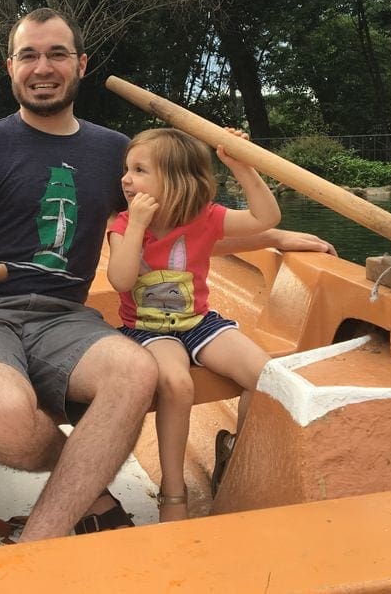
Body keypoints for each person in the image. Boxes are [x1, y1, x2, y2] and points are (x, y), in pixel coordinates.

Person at [0, 7, 334, 540]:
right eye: (29, 55)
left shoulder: (116, 152)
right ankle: (90, 488)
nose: (42, 67)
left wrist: (272, 236)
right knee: (6, 421)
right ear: (11, 67)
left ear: (81, 64)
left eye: (57, 54)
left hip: (65, 315)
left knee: (137, 373)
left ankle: (39, 538)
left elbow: (180, 227)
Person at [106, 127, 283, 522]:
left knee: (267, 376)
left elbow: (266, 217)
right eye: (126, 169)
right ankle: (173, 494)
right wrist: (136, 226)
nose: (126, 178)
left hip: (198, 323)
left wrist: (242, 166)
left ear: (175, 181)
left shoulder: (206, 218)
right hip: (146, 330)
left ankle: (235, 461)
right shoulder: (122, 224)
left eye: (139, 170)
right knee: (177, 383)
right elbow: (119, 280)